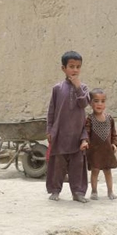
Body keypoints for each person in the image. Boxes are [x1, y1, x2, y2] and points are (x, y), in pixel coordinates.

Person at [46, 50, 90, 202]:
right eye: (71, 66)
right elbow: (51, 111)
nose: (75, 70)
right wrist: (49, 129)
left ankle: (78, 192)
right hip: (60, 134)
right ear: (63, 68)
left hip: (77, 134)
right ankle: (55, 190)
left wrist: (77, 86)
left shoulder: (83, 88)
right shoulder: (57, 88)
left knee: (77, 166)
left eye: (78, 67)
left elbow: (84, 103)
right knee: (58, 165)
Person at [86, 88, 117, 200]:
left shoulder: (110, 119)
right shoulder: (89, 119)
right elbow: (86, 133)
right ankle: (94, 191)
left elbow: (114, 133)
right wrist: (85, 143)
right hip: (95, 152)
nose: (99, 104)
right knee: (95, 171)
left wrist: (114, 144)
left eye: (103, 101)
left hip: (107, 151)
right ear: (90, 103)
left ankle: (110, 191)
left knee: (108, 171)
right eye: (96, 101)